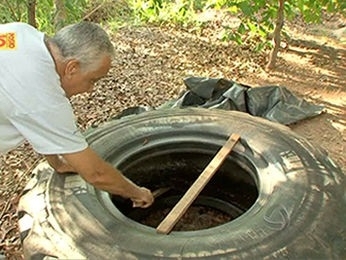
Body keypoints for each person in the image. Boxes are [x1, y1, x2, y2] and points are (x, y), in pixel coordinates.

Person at [0, 21, 154, 208]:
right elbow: (96, 174)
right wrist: (138, 193)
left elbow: (39, 123)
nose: (90, 90)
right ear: (72, 68)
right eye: (92, 80)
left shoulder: (19, 33)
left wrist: (57, 163)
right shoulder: (43, 96)